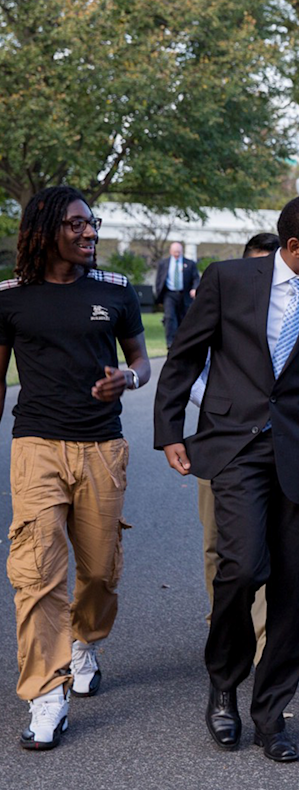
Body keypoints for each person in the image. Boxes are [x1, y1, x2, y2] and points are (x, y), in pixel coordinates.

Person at [154, 194, 299, 763]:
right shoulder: (228, 279)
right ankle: (224, 682)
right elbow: (184, 356)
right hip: (234, 446)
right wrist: (170, 430)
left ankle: (272, 714)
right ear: (294, 247)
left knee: (294, 590)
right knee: (243, 567)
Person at [1, 185, 150, 750]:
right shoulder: (10, 297)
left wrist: (128, 379)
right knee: (37, 570)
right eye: (75, 224)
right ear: (44, 230)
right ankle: (46, 692)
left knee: (99, 568)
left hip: (101, 448)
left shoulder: (114, 291)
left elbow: (140, 360)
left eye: (92, 223)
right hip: (35, 444)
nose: (89, 232)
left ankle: (86, 639)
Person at [191, 232, 279, 659]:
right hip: (220, 440)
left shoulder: (289, 310)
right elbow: (190, 367)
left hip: (276, 445)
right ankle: (224, 625)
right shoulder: (222, 296)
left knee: (265, 547)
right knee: (219, 544)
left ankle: (264, 642)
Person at [154, 241, 200, 348]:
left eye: (179, 252)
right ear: (170, 251)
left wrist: (194, 289)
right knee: (169, 317)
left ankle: (183, 341)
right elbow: (159, 280)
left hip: (184, 295)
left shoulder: (190, 264)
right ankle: (170, 342)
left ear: (182, 251)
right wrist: (159, 295)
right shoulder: (163, 263)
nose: (177, 254)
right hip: (169, 294)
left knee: (183, 318)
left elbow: (196, 278)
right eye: (175, 252)